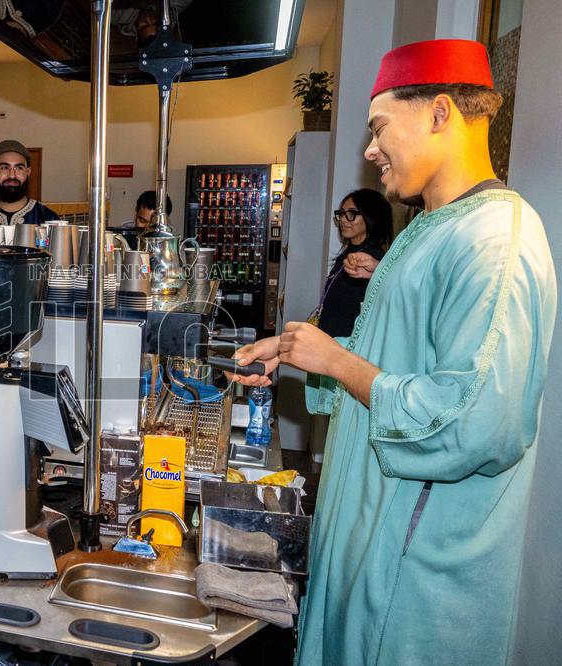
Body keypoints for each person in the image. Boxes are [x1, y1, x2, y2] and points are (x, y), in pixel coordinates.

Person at [231, 40, 555, 663]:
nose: (368, 150)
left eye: (379, 128)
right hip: (368, 544)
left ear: (439, 113)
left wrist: (338, 362)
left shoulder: (495, 240)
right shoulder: (426, 230)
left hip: (416, 573)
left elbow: (477, 418)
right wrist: (302, 351)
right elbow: (391, 355)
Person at [309, 188, 392, 337]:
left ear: (370, 218)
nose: (343, 219)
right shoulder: (348, 253)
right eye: (341, 213)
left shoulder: (371, 260)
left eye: (351, 214)